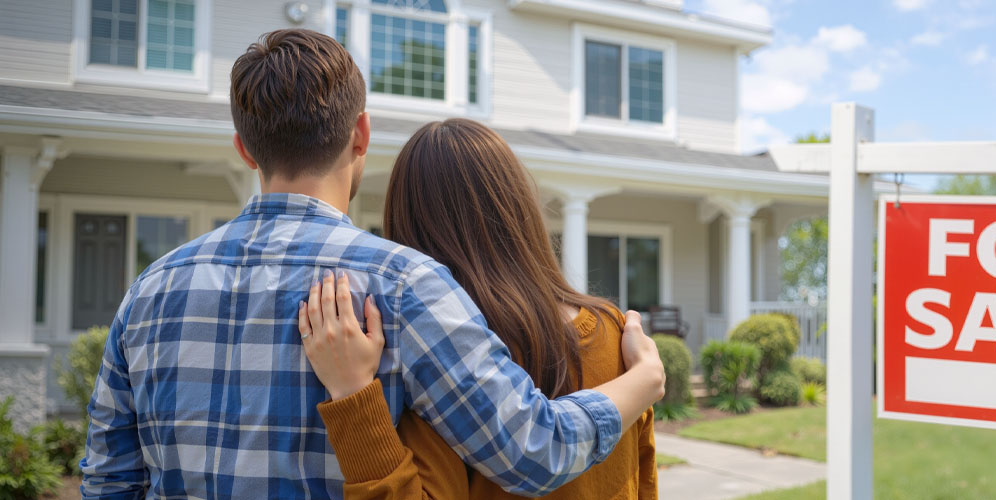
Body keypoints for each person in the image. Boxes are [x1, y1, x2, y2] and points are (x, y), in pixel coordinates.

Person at [80, 29, 664, 499]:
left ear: (244, 147)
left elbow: (109, 481)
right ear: (361, 135)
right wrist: (643, 380)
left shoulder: (149, 291)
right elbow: (535, 454)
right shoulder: (406, 284)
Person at [300, 118, 659, 499]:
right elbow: (644, 482)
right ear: (517, 207)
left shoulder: (443, 353)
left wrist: (355, 397)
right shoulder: (620, 336)